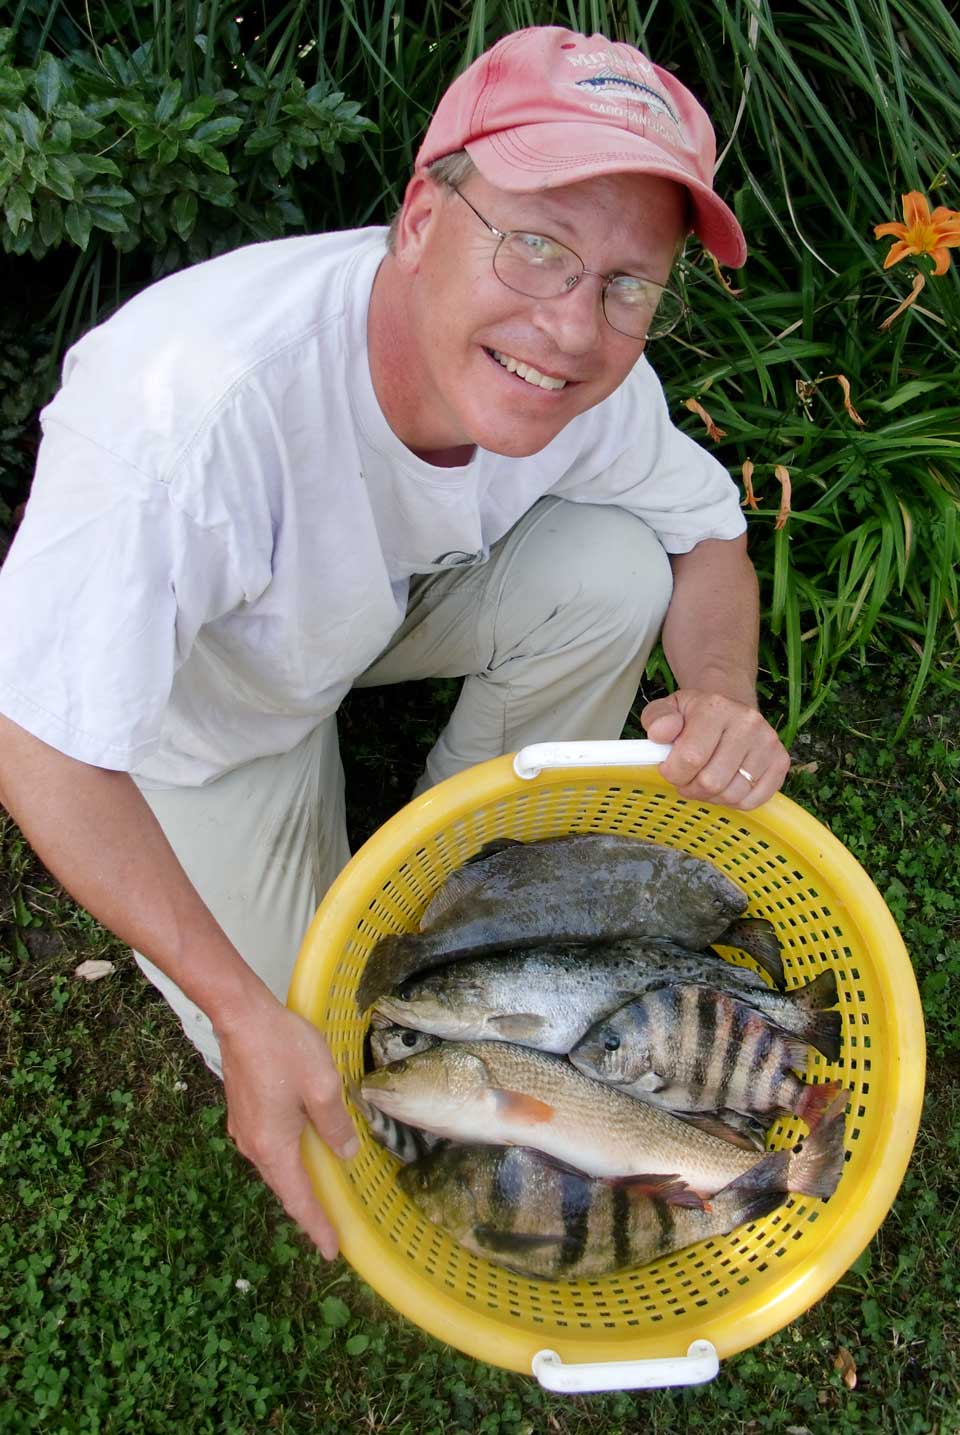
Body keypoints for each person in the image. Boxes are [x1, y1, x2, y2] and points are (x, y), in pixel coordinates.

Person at [0, 26, 790, 1259]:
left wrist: (725, 692)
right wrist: (235, 1007)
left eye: (629, 284)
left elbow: (706, 537)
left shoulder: (580, 376)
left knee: (613, 567)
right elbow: (39, 744)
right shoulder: (186, 417)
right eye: (537, 245)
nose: (573, 327)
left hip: (364, 603)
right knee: (328, 1049)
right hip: (207, 710)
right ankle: (321, 937)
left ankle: (476, 873)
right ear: (424, 215)